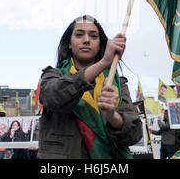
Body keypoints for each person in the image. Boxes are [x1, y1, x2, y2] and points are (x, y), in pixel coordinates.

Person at [37, 15, 143, 159]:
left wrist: (112, 116)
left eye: (93, 36)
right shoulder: (53, 75)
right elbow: (53, 97)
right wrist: (104, 63)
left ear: (100, 44)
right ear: (69, 43)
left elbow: (134, 134)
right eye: (79, 35)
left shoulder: (116, 83)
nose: (86, 40)